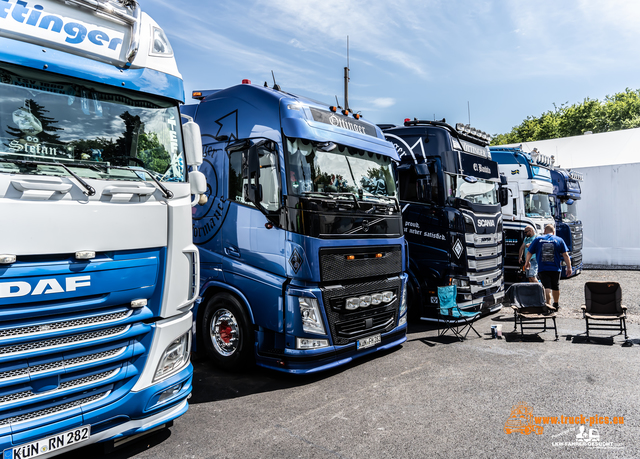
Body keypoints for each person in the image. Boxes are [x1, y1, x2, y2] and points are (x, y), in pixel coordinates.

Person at [524, 224, 572, 309]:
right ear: (553, 232)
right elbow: (565, 255)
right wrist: (569, 267)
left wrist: (527, 262)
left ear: (545, 231)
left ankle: (548, 305)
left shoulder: (538, 239)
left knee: (547, 287)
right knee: (556, 286)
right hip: (556, 268)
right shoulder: (559, 240)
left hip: (543, 268)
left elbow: (529, 252)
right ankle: (556, 304)